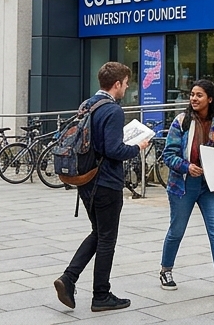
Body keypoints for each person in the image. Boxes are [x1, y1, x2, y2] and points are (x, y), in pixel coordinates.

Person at [55, 61, 149, 313]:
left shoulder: (88, 104)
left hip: (86, 180)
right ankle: (101, 295)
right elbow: (113, 149)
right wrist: (137, 147)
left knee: (98, 233)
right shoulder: (113, 110)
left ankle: (69, 278)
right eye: (126, 84)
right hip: (106, 182)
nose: (126, 88)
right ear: (117, 84)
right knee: (107, 238)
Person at [159, 79, 214, 300]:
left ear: (210, 98)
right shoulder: (182, 121)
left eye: (199, 95)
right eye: (192, 94)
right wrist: (187, 166)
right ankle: (166, 270)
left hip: (210, 185)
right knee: (177, 231)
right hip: (183, 185)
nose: (194, 98)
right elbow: (168, 155)